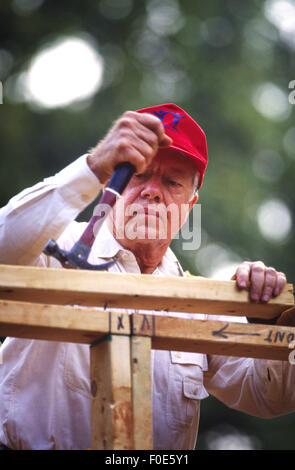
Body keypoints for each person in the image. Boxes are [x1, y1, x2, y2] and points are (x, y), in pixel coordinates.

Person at [0, 103, 293, 450]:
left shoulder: (197, 302)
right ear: (111, 184)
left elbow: (268, 396)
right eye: (138, 174)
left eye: (172, 182)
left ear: (189, 205)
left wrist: (280, 325)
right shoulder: (55, 248)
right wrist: (92, 166)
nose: (153, 191)